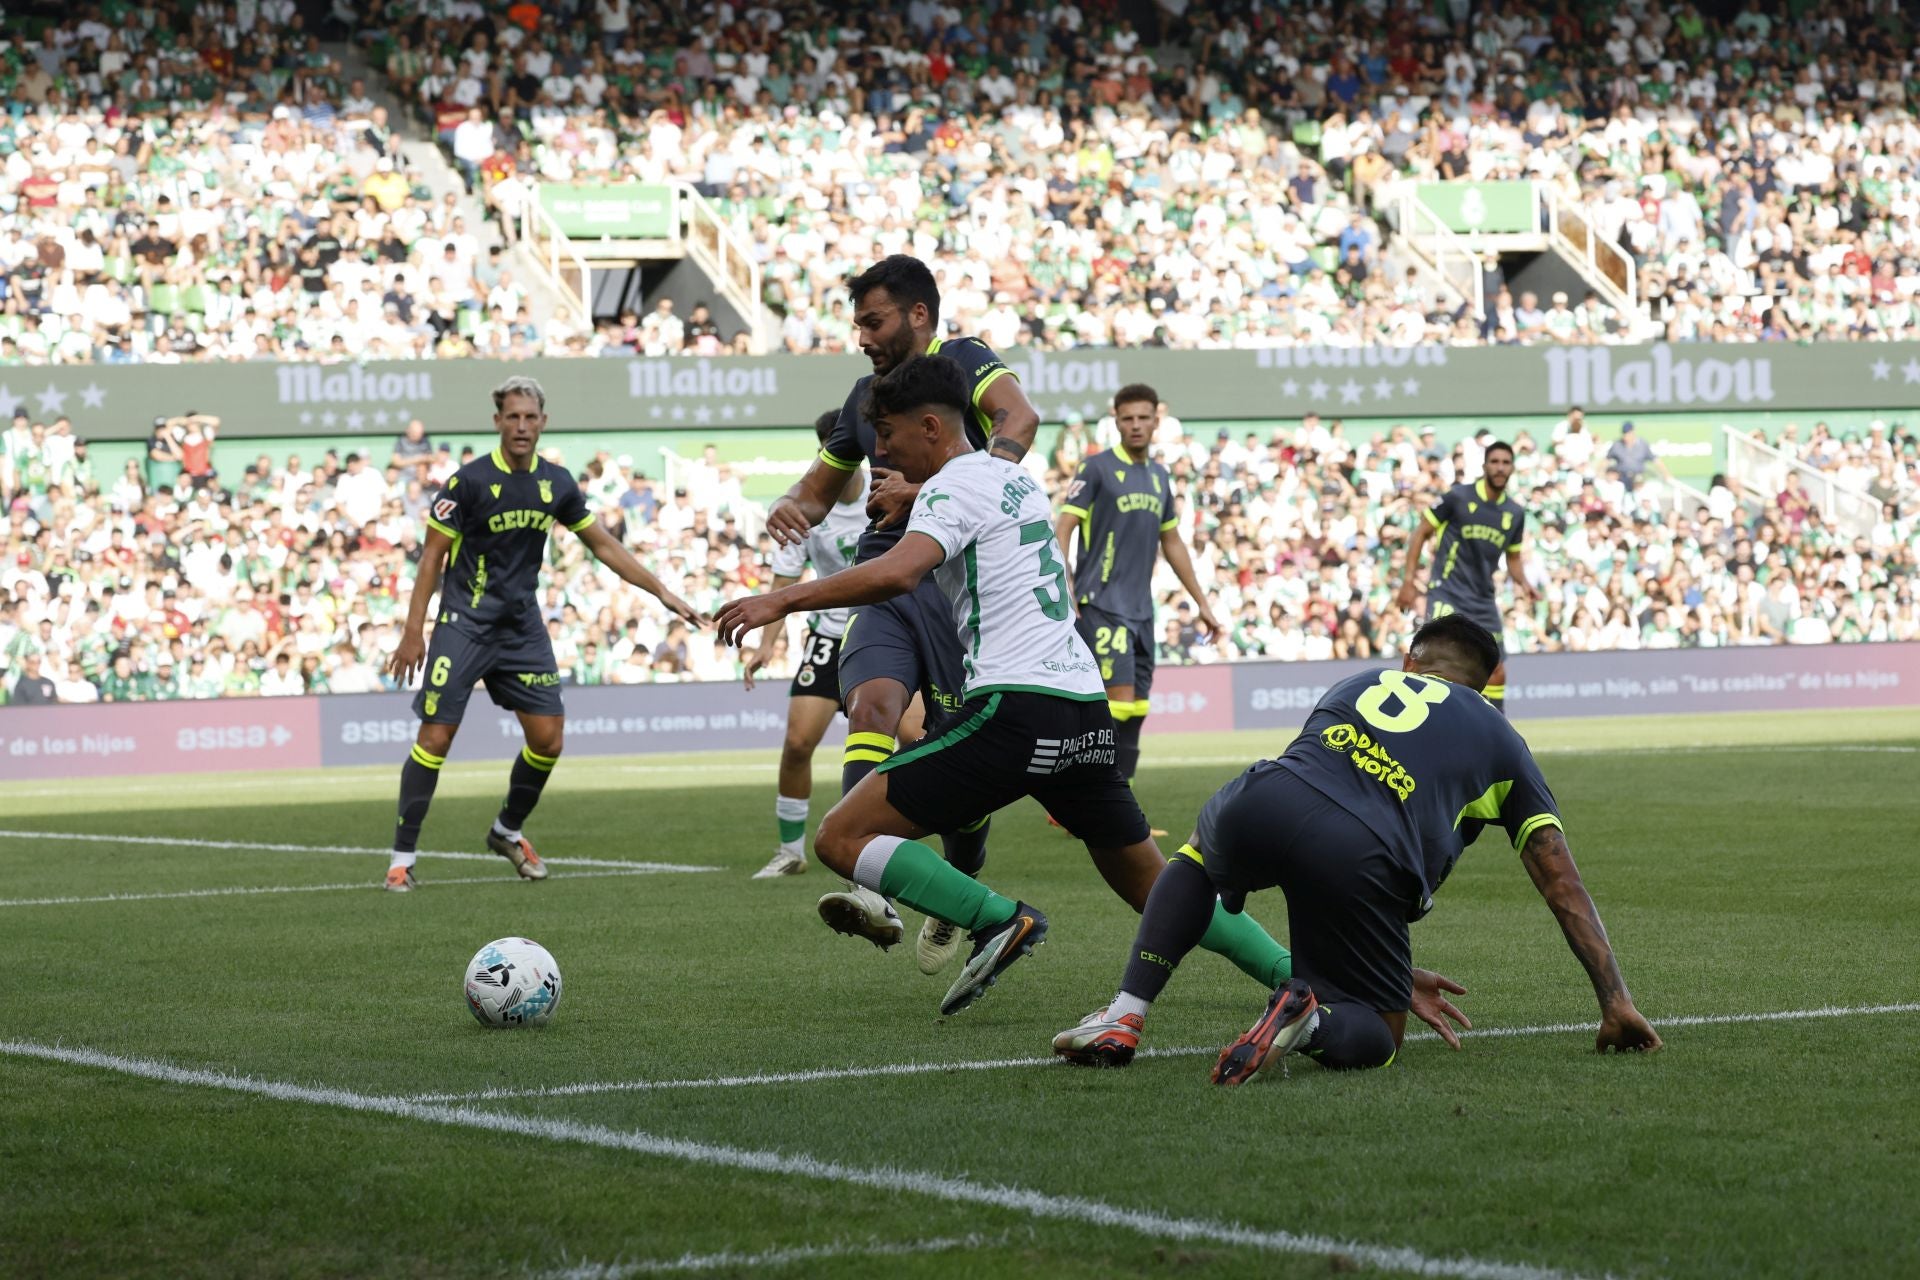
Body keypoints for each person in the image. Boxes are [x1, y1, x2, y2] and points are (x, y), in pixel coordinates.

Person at [716, 355, 1292, 1016]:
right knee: (1156, 886)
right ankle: (1297, 974)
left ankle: (996, 918)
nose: (882, 452)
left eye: (890, 437)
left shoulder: (948, 488)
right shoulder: (1015, 480)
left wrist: (782, 602)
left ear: (931, 426)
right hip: (1083, 707)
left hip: (1018, 710)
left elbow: (900, 572)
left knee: (839, 839)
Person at [1052, 614, 1662, 1081]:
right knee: (1380, 1031)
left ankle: (1125, 1014)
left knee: (1196, 856)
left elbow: (1312, 808)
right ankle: (1311, 1019)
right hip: (1365, 855)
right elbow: (1561, 881)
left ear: (1409, 660)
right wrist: (1615, 1001)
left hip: (1267, 797)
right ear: (1487, 686)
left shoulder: (1361, 680)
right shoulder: (1503, 741)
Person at [762, 255, 1041, 971]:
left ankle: (962, 884)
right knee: (873, 707)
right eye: (857, 323)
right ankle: (872, 883)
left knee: (959, 772)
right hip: (882, 577)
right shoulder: (863, 398)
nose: (862, 336)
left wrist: (942, 495)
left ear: (918, 315)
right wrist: (793, 505)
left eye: (873, 321)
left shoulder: (965, 359)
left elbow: (1020, 418)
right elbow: (819, 488)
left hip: (953, 583)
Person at [382, 376, 703, 892]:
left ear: (543, 422)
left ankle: (507, 831)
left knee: (549, 739)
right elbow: (432, 559)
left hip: (522, 627)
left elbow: (603, 545)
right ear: (498, 423)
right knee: (436, 737)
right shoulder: (466, 482)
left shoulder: (557, 483)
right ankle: (401, 859)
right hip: (464, 622)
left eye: (530, 417)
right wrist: (412, 632)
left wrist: (661, 591)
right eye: (513, 417)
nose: (522, 426)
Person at [740, 411, 908, 879]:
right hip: (829, 638)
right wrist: (766, 644)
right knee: (796, 742)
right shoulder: (809, 506)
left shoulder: (890, 490)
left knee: (915, 740)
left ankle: (901, 843)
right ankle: (791, 851)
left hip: (886, 632)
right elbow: (785, 575)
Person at [1055, 383, 1220, 788]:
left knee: (1138, 707)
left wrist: (1202, 603)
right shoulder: (1095, 469)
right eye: (1127, 418)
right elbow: (1063, 528)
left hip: (1142, 610)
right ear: (1116, 421)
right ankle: (1102, 801)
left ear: (1156, 421)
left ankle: (1097, 796)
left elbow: (1173, 541)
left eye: (1143, 418)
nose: (1136, 425)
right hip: (1103, 603)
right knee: (1120, 703)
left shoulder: (1160, 476)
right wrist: (1066, 587)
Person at [1394, 440, 1533, 714]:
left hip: (1483, 600)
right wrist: (1408, 581)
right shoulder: (1458, 498)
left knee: (1496, 671)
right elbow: (1421, 532)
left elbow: (1513, 558)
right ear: (1484, 466)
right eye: (1494, 461)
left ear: (1512, 468)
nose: (1500, 467)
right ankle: (1409, 724)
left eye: (1506, 462)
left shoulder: (1515, 513)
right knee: (1431, 662)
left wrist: (1524, 582)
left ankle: (1495, 733)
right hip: (1448, 592)